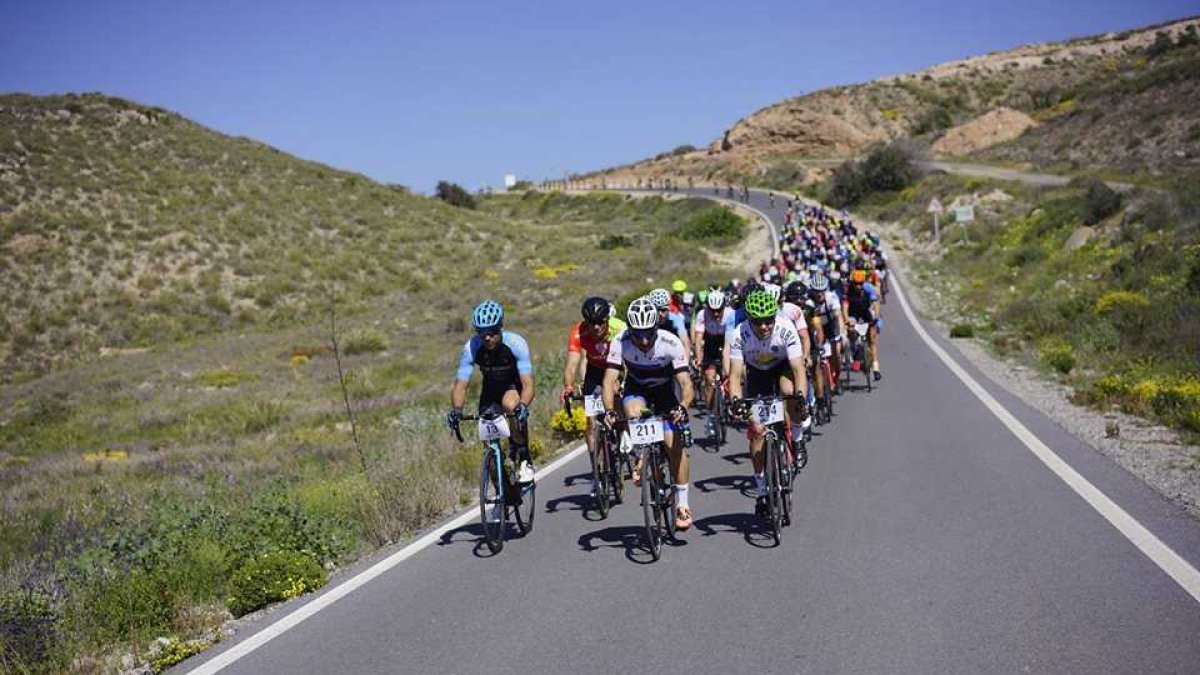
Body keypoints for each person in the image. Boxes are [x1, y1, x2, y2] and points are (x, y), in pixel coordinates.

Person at [602, 297, 696, 530]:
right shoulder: (620, 341)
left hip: (665, 392)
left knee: (674, 445)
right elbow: (608, 381)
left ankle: (682, 504)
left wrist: (682, 407)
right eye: (638, 333)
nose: (643, 340)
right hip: (638, 390)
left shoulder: (670, 342)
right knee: (632, 413)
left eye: (648, 333)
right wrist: (608, 412)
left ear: (656, 327)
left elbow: (686, 384)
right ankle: (641, 455)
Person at [727, 290, 807, 516]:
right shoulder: (739, 334)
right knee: (757, 430)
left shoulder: (785, 327)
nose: (764, 327)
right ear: (749, 319)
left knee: (789, 391)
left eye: (768, 321)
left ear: (775, 317)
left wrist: (800, 396)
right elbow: (734, 376)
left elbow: (798, 369)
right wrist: (735, 400)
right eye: (758, 322)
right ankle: (762, 489)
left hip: (781, 367)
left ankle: (798, 440)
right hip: (757, 373)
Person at [447, 300, 536, 489]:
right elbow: (460, 385)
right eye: (481, 332)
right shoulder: (471, 347)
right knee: (488, 445)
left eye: (492, 332)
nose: (487, 338)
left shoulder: (516, 343)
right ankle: (501, 495)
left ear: (501, 327)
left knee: (510, 405)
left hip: (513, 385)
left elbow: (528, 383)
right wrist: (456, 410)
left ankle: (523, 456)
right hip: (490, 390)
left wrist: (524, 405)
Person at [562, 296, 626, 497]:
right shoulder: (578, 332)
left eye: (600, 322)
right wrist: (569, 386)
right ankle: (597, 471)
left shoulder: (620, 328)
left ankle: (624, 433)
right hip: (595, 370)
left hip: (618, 367)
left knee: (617, 399)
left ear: (608, 319)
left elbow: (630, 359)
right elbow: (572, 363)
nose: (596, 327)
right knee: (590, 423)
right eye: (592, 323)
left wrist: (623, 382)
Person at [691, 289, 736, 436]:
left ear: (724, 307)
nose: (716, 314)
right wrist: (698, 358)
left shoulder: (730, 314)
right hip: (710, 343)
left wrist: (727, 363)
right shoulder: (701, 314)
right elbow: (698, 339)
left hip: (726, 342)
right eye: (713, 311)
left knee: (729, 372)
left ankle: (730, 399)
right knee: (709, 379)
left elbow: (730, 341)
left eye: (719, 310)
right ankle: (711, 413)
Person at [843, 270, 882, 381]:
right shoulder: (848, 290)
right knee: (851, 331)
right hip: (853, 313)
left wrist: (876, 317)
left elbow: (876, 304)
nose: (858, 286)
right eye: (856, 283)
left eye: (861, 283)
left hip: (865, 312)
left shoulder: (869, 288)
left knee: (872, 339)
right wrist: (846, 319)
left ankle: (876, 368)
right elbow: (845, 306)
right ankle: (854, 350)